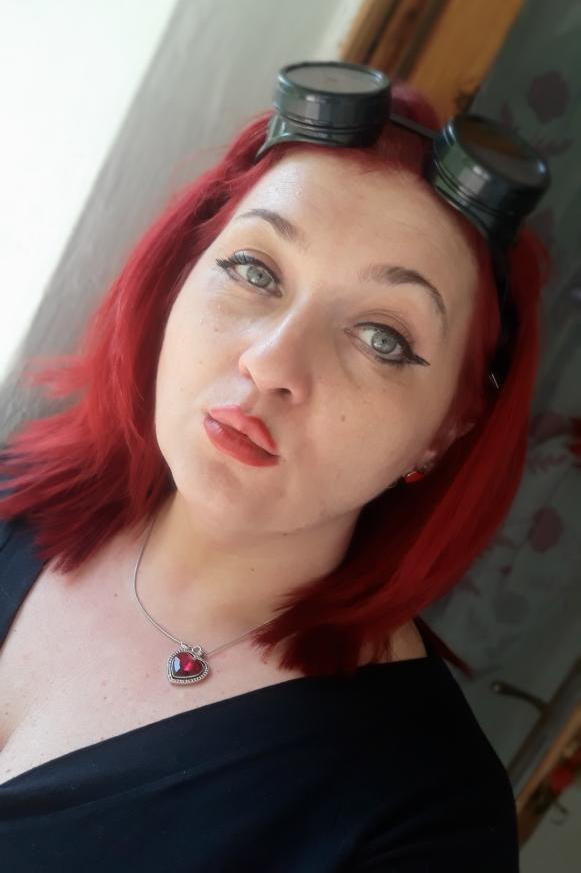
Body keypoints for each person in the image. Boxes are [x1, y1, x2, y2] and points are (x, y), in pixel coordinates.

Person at [0, 68, 547, 871]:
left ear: (444, 431)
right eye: (256, 271)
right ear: (181, 274)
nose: (271, 362)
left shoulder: (424, 820)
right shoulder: (12, 492)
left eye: (382, 338)